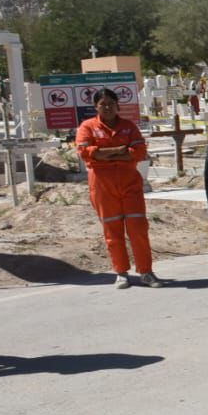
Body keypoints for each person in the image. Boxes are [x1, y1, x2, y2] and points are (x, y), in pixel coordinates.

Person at [76, 87, 163, 288]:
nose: (107, 107)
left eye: (110, 103)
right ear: (95, 107)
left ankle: (146, 272)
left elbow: (139, 152)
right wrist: (121, 150)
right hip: (102, 186)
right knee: (112, 230)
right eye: (102, 104)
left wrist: (103, 153)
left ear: (117, 105)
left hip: (129, 182)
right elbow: (86, 153)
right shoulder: (87, 127)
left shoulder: (129, 126)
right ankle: (121, 272)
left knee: (138, 228)